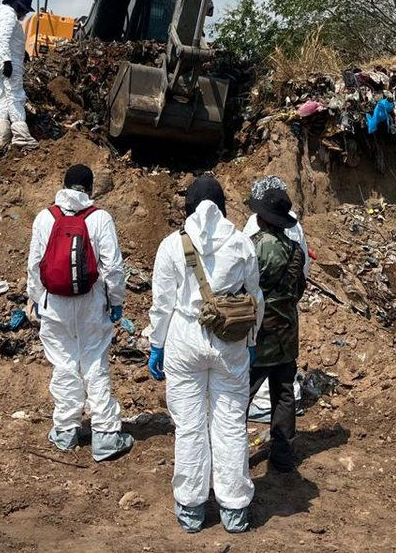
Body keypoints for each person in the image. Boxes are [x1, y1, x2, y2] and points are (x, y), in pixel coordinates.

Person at [148, 176, 265, 535]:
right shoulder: (242, 243)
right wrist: (253, 340)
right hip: (229, 341)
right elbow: (255, 298)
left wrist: (157, 344)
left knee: (190, 425)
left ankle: (192, 507)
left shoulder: (171, 245)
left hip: (184, 339)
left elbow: (162, 303)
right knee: (230, 424)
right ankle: (234, 510)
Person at [27, 164, 133, 461]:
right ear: (90, 188)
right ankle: (106, 435)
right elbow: (112, 267)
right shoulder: (100, 218)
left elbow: (34, 264)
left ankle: (65, 431)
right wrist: (116, 302)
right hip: (91, 302)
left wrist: (35, 298)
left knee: (63, 363)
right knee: (94, 362)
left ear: (63, 185)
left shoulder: (45, 217)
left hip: (55, 304)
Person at [246, 186, 307, 474]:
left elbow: (241, 286)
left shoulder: (254, 246)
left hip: (258, 335)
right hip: (287, 333)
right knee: (283, 394)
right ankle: (282, 455)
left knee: (240, 395)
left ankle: (231, 454)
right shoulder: (295, 250)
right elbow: (299, 290)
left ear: (263, 219)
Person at [0, 0, 36, 147]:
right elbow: (3, 38)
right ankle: (22, 137)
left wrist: (23, 52)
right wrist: (8, 61)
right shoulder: (9, 17)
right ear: (19, 7)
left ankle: (2, 137)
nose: (25, 14)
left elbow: (8, 40)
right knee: (15, 95)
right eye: (26, 11)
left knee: (1, 97)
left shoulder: (1, 15)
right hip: (8, 61)